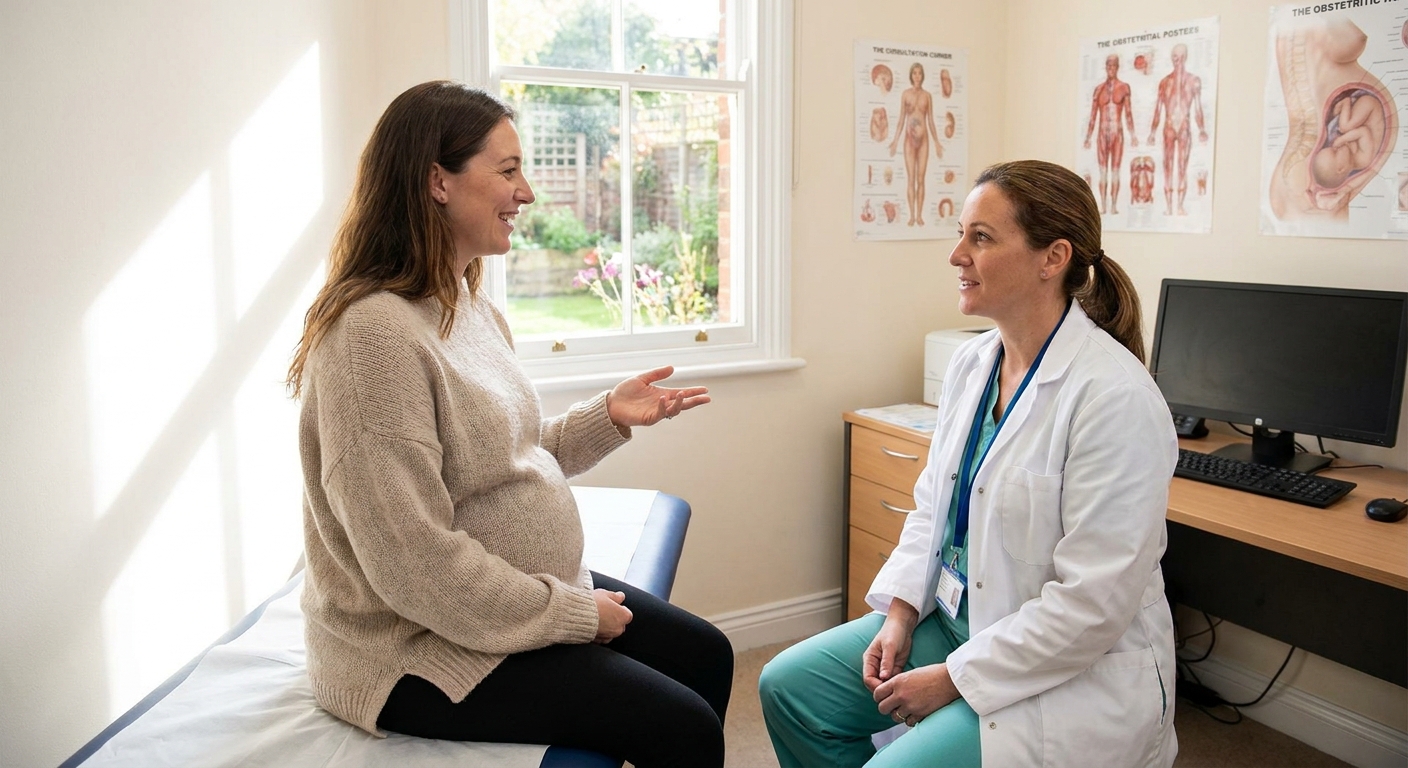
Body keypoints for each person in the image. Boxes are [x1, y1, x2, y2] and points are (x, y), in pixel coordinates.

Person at [285, 81, 733, 768]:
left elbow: (503, 457)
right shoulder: (370, 337)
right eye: (508, 170)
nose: (527, 192)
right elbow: (412, 563)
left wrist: (605, 417)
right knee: (684, 727)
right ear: (438, 181)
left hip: (504, 601)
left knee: (708, 655)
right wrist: (575, 615)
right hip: (417, 646)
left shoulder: (467, 307)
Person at [760, 160, 1179, 768]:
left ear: (1052, 257)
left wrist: (953, 677)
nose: (957, 254)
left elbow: (1092, 607)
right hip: (961, 616)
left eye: (980, 237)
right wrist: (901, 614)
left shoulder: (1115, 398)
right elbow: (934, 506)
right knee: (790, 688)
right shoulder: (973, 363)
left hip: (1072, 664)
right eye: (962, 233)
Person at [1147, 44, 1208, 216]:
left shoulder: (1193, 81)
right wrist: (1152, 132)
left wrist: (1202, 129)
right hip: (1168, 127)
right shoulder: (1165, 82)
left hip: (1184, 127)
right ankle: (1168, 206)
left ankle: (1179, 205)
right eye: (1174, 56)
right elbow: (1158, 109)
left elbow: (1197, 108)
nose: (1177, 60)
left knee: (1182, 166)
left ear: (1186, 57)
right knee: (1168, 166)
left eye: (1180, 56)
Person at [889, 62, 942, 226]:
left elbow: (931, 120)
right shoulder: (905, 95)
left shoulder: (927, 96)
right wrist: (895, 141)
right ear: (911, 76)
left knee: (921, 179)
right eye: (914, 73)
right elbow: (901, 119)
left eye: (920, 73)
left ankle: (919, 215)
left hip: (924, 140)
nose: (917, 76)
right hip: (909, 140)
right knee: (911, 178)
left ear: (923, 76)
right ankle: (911, 215)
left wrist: (937, 142)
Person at [1084, 54, 1138, 215]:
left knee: (1114, 171)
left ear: (1118, 67)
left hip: (1117, 133)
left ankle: (1113, 205)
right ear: (1106, 67)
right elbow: (1093, 116)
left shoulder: (1124, 87)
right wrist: (1087, 137)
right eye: (1108, 66)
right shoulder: (1099, 90)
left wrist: (1133, 135)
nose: (1111, 69)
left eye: (1114, 66)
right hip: (1102, 134)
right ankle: (1103, 206)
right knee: (1102, 172)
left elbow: (1128, 113)